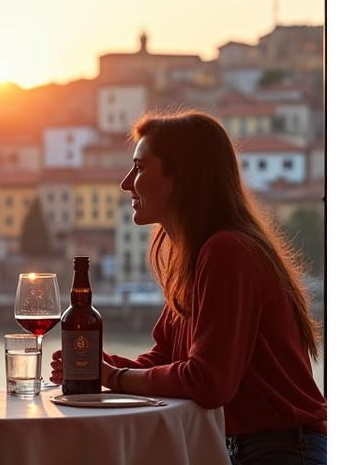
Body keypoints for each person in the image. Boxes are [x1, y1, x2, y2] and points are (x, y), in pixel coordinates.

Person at [50, 111, 327, 464]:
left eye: (139, 167)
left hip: (281, 451)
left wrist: (115, 377)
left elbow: (208, 381)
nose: (126, 182)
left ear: (181, 177)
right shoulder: (199, 257)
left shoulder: (227, 251)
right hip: (249, 446)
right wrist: (97, 368)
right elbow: (165, 360)